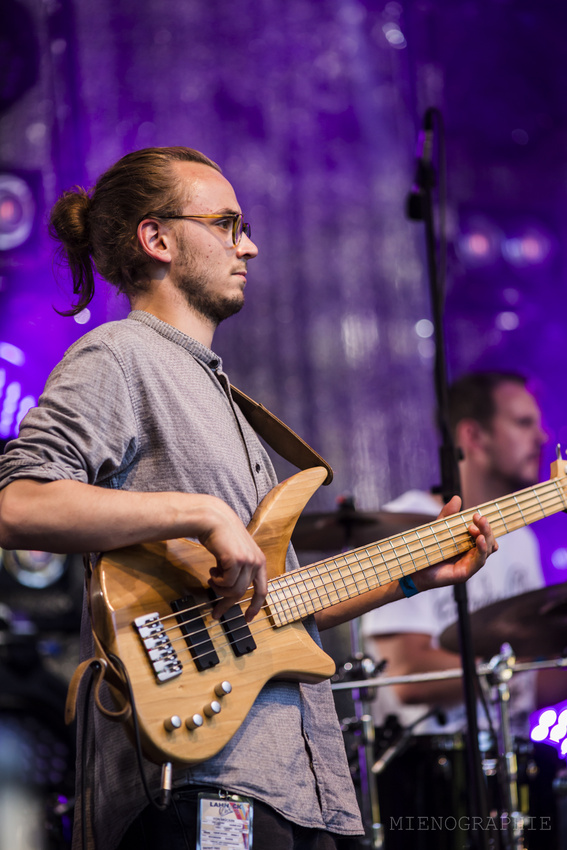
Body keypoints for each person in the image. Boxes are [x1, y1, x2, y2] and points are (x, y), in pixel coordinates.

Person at [0, 147, 496, 850]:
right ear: (158, 238)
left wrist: (414, 574)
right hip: (193, 779)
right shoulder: (118, 356)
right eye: (227, 224)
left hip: (294, 783)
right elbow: (18, 505)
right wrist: (199, 512)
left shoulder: (220, 395)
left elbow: (272, 606)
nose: (250, 246)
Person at [361, 371, 562, 848]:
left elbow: (534, 672)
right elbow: (407, 675)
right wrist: (506, 673)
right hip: (431, 775)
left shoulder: (524, 540)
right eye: (522, 422)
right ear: (472, 435)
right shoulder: (415, 522)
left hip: (515, 764)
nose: (543, 436)